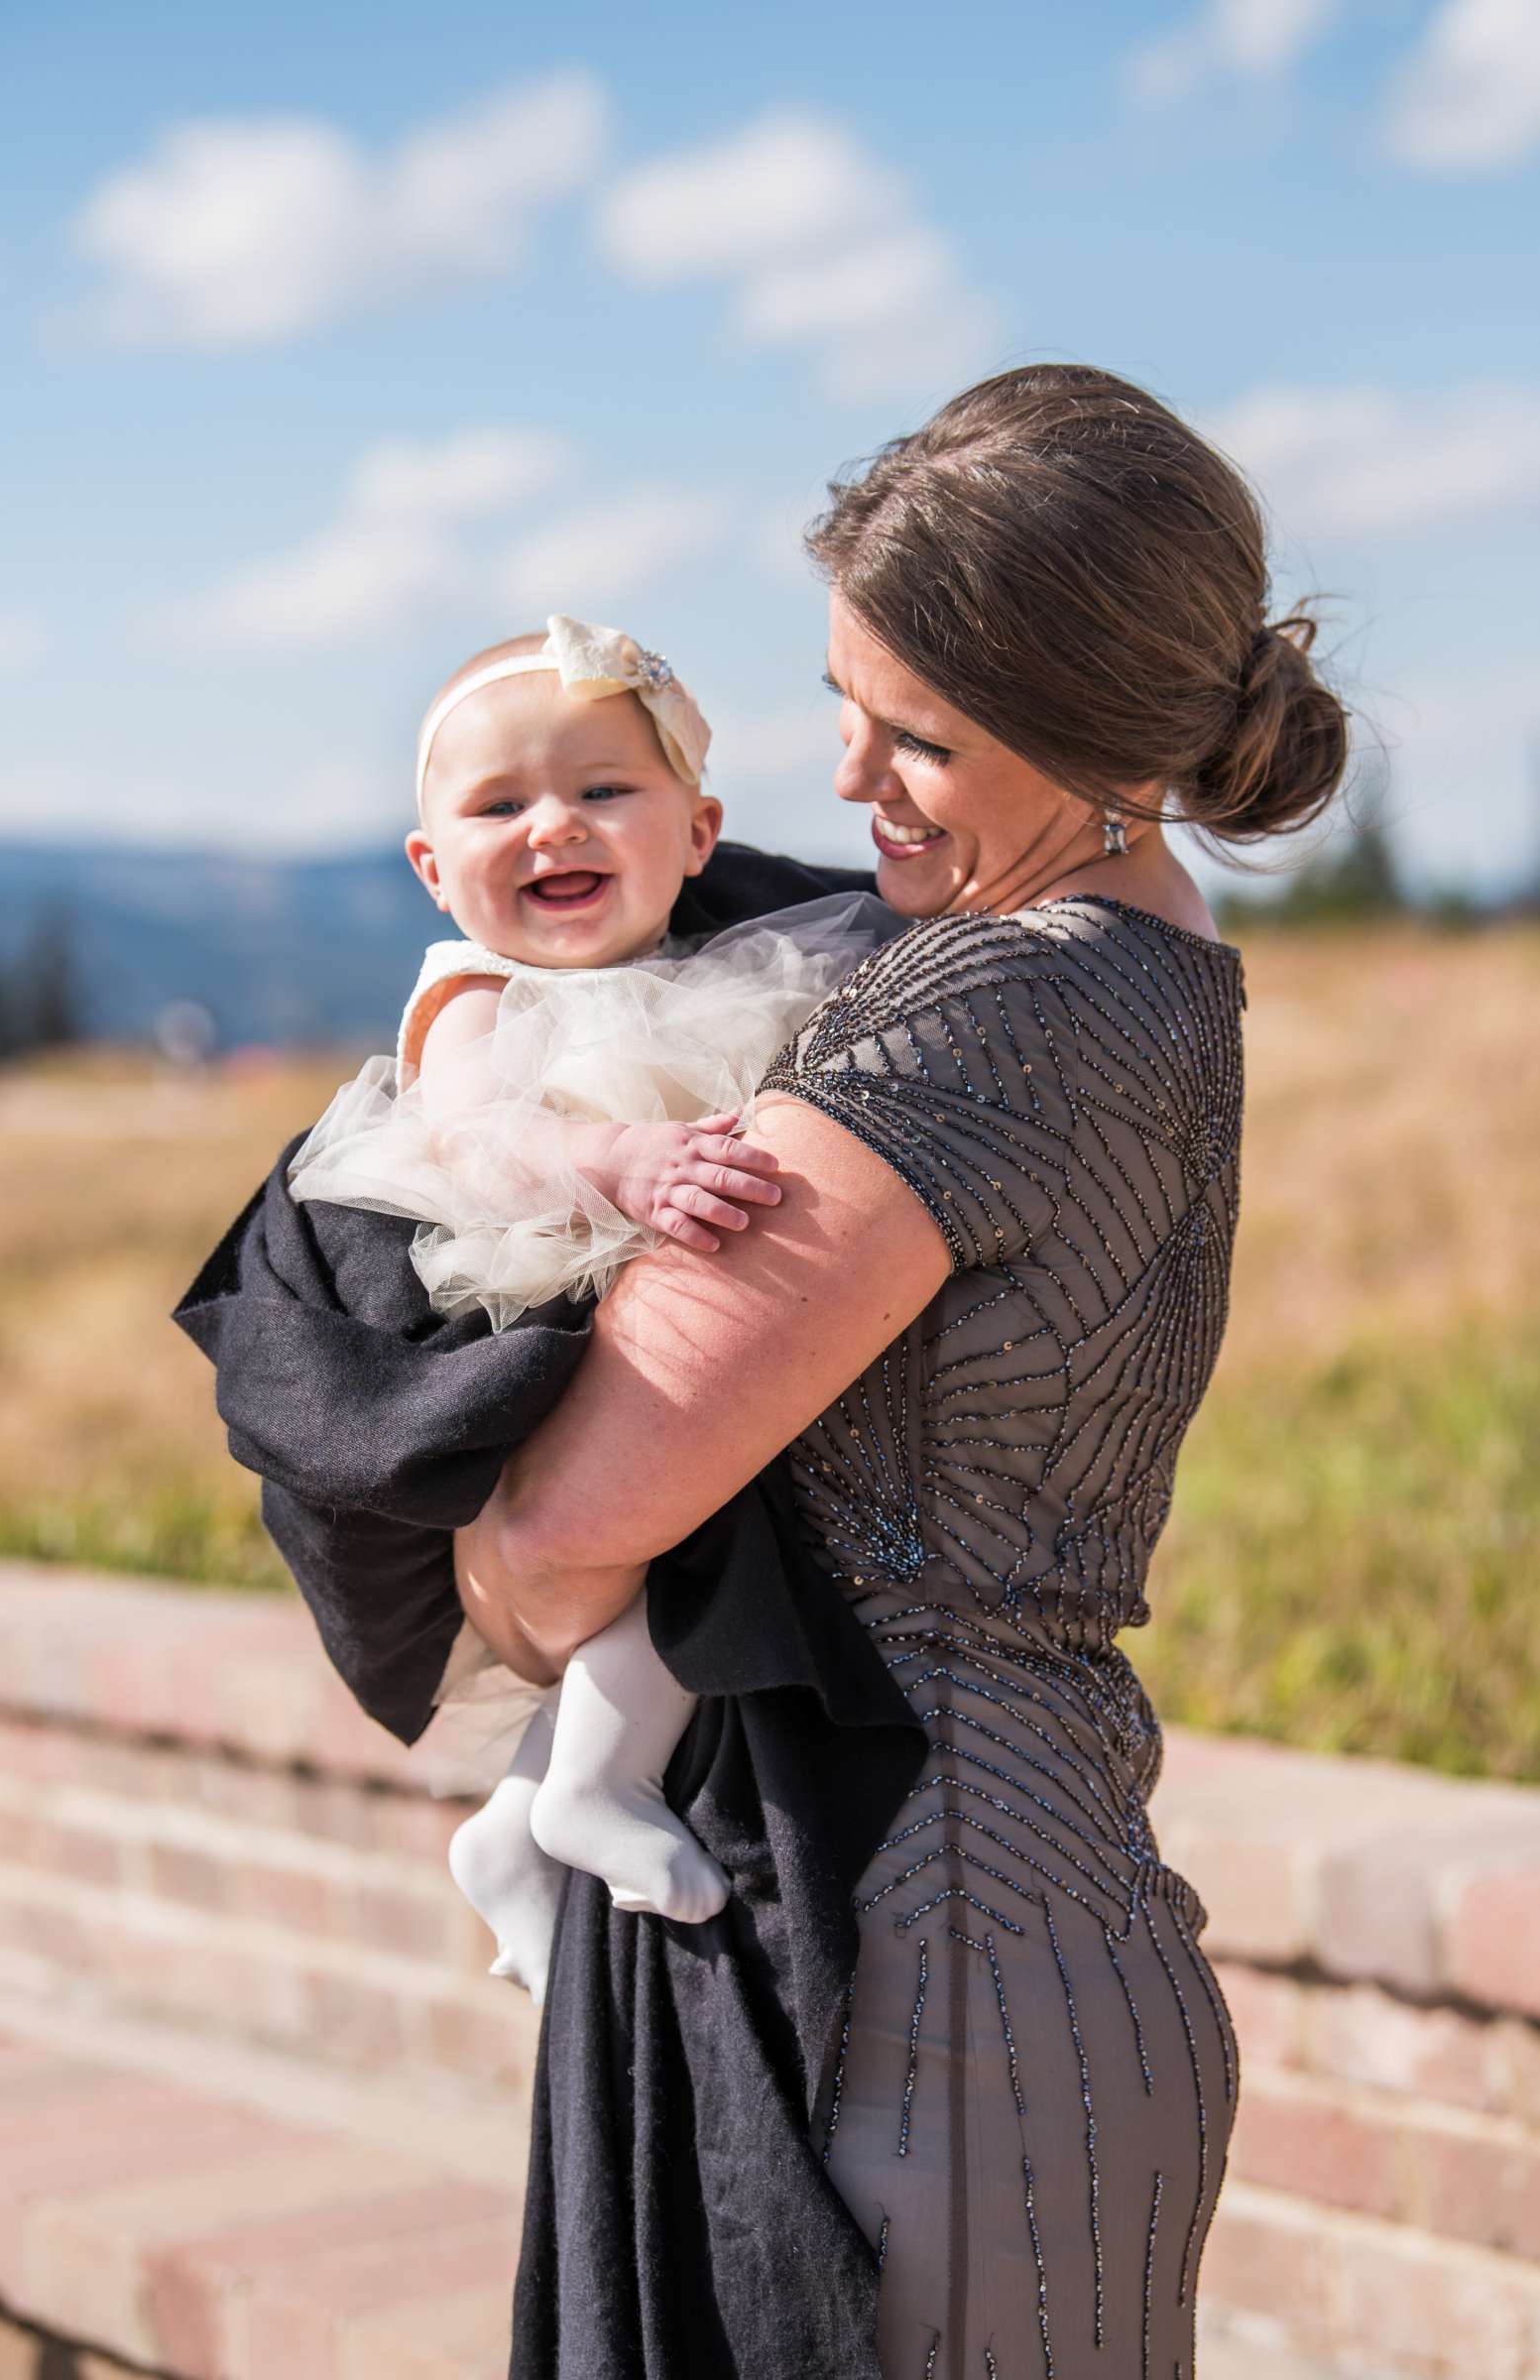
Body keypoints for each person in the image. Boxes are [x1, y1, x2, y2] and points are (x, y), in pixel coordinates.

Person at [180, 364, 1350, 2377]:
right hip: (1004, 1901)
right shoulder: (1149, 961)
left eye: (919, 735)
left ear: (1087, 727)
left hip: (909, 1943)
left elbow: (565, 1536)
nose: (857, 779)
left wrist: (402, 1516)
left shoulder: (979, 1009)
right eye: (844, 707)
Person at [285, 612, 888, 1998]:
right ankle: (588, 1787)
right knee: (671, 1521)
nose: (553, 826)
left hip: (652, 1284)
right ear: (436, 871)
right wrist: (611, 1160)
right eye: (500, 805)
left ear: (696, 832)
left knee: (721, 1508)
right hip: (532, 1294)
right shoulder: (475, 991)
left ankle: (526, 1810)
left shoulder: (722, 970)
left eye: (602, 790)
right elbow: (479, 1142)